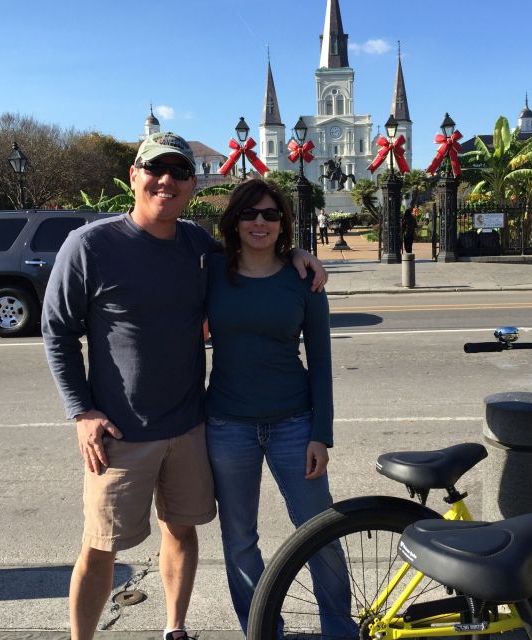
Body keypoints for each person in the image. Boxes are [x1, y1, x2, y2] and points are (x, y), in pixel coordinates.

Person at [41, 132, 326, 640]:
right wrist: (80, 411)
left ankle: (176, 627)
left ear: (193, 185)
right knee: (100, 544)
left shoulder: (198, 247)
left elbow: (254, 242)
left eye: (179, 173)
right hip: (119, 432)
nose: (166, 181)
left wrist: (299, 252)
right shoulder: (91, 245)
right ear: (135, 175)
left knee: (182, 529)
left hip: (192, 425)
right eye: (156, 170)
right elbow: (57, 331)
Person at [204, 178, 355, 637]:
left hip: (294, 423)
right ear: (234, 221)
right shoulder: (210, 271)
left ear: (283, 224)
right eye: (250, 213)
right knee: (239, 539)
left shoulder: (303, 278)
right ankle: (261, 627)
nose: (260, 222)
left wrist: (321, 434)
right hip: (228, 426)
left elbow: (323, 360)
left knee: (319, 531)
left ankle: (337, 626)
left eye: (271, 214)